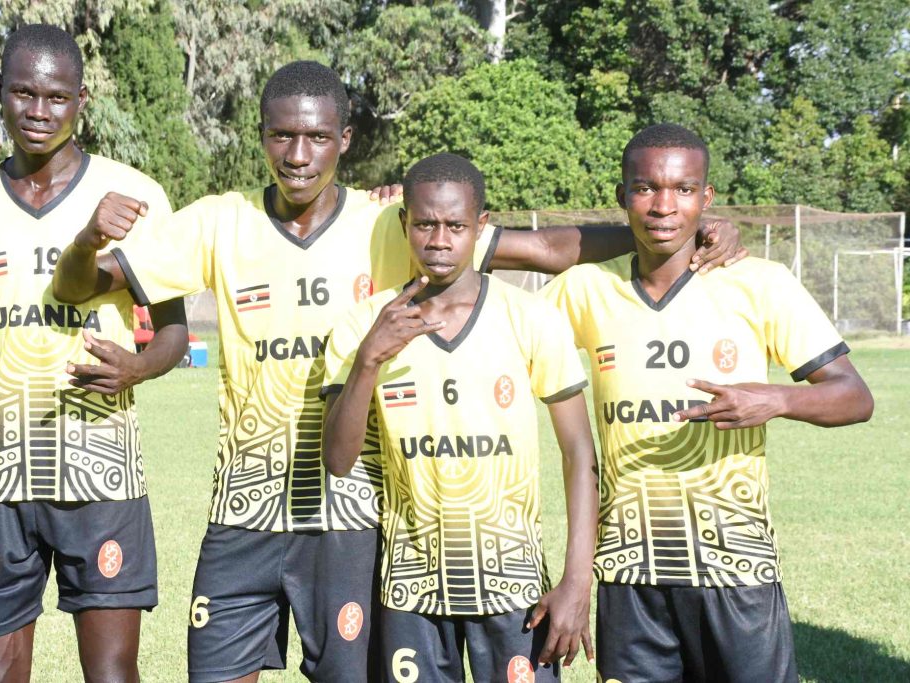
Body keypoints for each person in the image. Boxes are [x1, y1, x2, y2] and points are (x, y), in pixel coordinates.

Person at [51, 62, 746, 683]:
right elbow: (83, 285)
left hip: (352, 515)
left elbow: (547, 248)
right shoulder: (217, 223)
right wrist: (86, 240)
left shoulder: (393, 220)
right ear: (260, 136)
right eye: (282, 137)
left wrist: (676, 230)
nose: (299, 155)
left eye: (317, 138)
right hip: (245, 509)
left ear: (345, 140)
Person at [540, 123, 874, 682]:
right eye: (645, 188)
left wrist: (775, 399)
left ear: (706, 197)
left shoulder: (761, 283)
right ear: (623, 196)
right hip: (629, 573)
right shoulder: (584, 289)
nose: (664, 206)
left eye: (683, 189)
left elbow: (855, 397)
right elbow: (489, 322)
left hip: (736, 567)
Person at [0, 24, 188, 682]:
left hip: (101, 470)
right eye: (23, 93)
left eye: (57, 97)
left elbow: (174, 332)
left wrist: (138, 366)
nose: (39, 111)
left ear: (81, 100)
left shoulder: (135, 195)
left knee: (111, 673)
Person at [321, 153, 599, 682]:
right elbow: (337, 460)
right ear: (404, 223)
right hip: (411, 589)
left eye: (456, 226)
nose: (439, 241)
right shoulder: (364, 324)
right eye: (425, 224)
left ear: (481, 226)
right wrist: (368, 360)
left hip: (514, 585)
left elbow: (578, 452)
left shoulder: (530, 318)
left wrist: (576, 581)